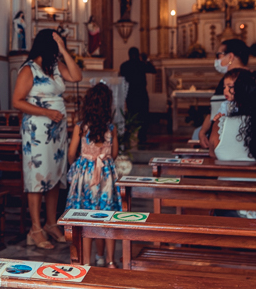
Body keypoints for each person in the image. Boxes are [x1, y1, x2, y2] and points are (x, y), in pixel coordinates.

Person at [13, 29, 83, 249]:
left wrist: (63, 49)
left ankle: (51, 223)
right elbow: (17, 101)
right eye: (56, 44)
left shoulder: (55, 67)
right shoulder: (29, 69)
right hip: (37, 131)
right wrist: (46, 113)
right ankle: (35, 229)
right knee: (38, 177)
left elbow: (77, 76)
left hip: (57, 130)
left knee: (55, 176)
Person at [65, 83, 121, 266]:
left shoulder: (80, 128)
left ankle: (86, 263)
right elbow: (113, 154)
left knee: (86, 217)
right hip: (105, 175)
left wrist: (80, 163)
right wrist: (102, 157)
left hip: (85, 175)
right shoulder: (111, 128)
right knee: (108, 215)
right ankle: (110, 261)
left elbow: (71, 153)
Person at [195, 38, 252, 143]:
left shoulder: (229, 80)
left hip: (228, 132)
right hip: (251, 131)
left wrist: (202, 132)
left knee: (196, 134)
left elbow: (215, 113)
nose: (217, 60)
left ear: (230, 56)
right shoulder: (255, 78)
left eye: (218, 55)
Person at [118, 47, 155, 146]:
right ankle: (142, 136)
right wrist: (146, 60)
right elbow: (153, 70)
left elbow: (120, 77)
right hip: (141, 93)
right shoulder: (141, 64)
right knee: (143, 116)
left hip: (131, 94)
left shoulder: (125, 65)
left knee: (131, 115)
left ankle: (129, 136)